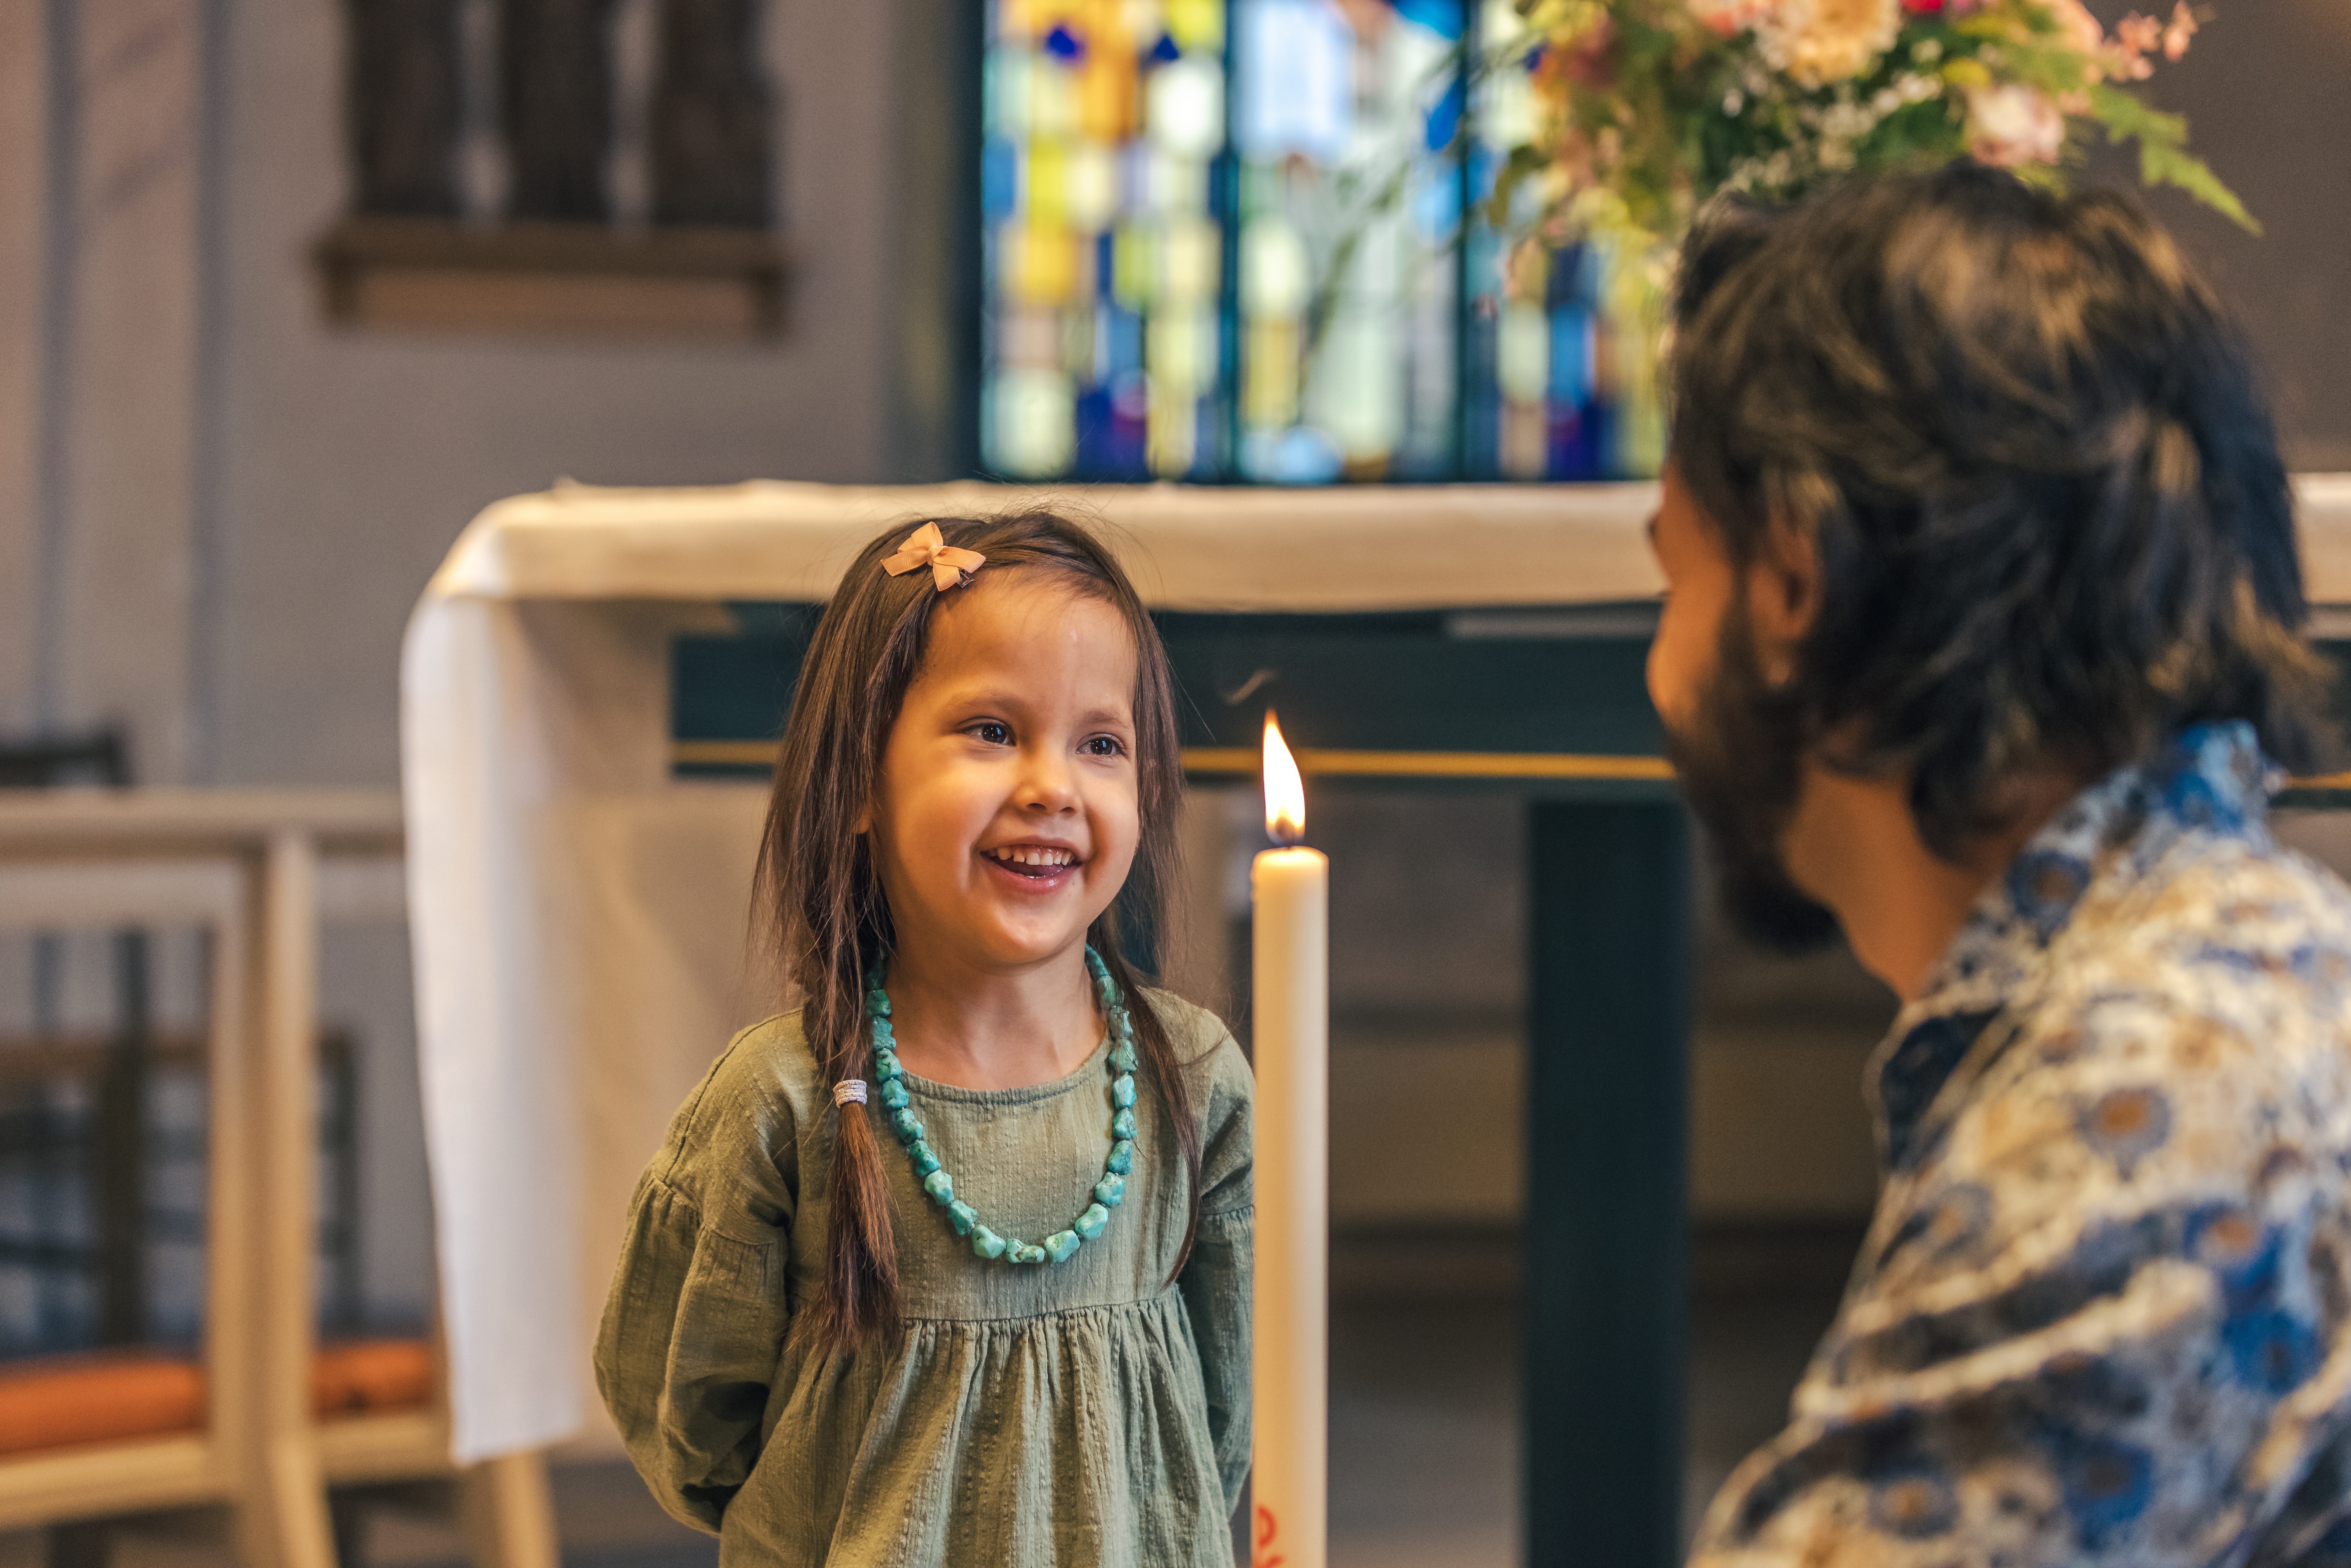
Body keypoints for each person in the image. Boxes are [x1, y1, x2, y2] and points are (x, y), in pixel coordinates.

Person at [1652, 164, 2351, 1562]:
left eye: (1674, 573)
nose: (1657, 665)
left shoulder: (2154, 1103)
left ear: (1791, 585)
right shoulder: (2230, 964)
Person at [595, 511, 1253, 1566]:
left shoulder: (1194, 1080)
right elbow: (688, 1416)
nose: (1052, 786)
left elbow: (1224, 1407)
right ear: (859, 778)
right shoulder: (785, 1099)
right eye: (993, 730)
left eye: (1101, 742)